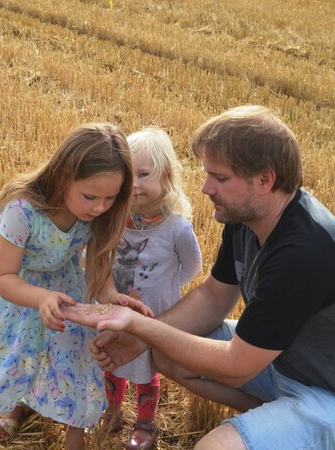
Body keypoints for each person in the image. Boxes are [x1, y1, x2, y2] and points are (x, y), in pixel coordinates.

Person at [62, 106, 335, 450]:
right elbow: (214, 297)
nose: (205, 188)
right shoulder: (247, 217)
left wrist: (138, 327)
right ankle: (279, 422)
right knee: (165, 352)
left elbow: (237, 366)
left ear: (265, 180)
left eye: (219, 178)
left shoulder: (303, 252)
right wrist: (145, 340)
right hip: (292, 362)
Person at [0, 123, 153, 450]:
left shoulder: (96, 214)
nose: (100, 207)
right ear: (62, 176)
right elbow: (3, 278)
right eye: (90, 196)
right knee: (20, 355)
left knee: (76, 359)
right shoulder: (21, 210)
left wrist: (113, 297)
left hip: (62, 289)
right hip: (17, 291)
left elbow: (98, 265)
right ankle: (12, 409)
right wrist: (41, 298)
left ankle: (76, 435)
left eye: (111, 198)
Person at [101, 128, 202, 450]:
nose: (134, 184)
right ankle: (112, 413)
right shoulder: (116, 218)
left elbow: (192, 267)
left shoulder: (177, 228)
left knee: (145, 371)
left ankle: (144, 423)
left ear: (168, 176)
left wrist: (164, 288)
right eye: (129, 174)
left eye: (144, 174)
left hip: (153, 314)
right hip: (113, 308)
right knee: (112, 361)